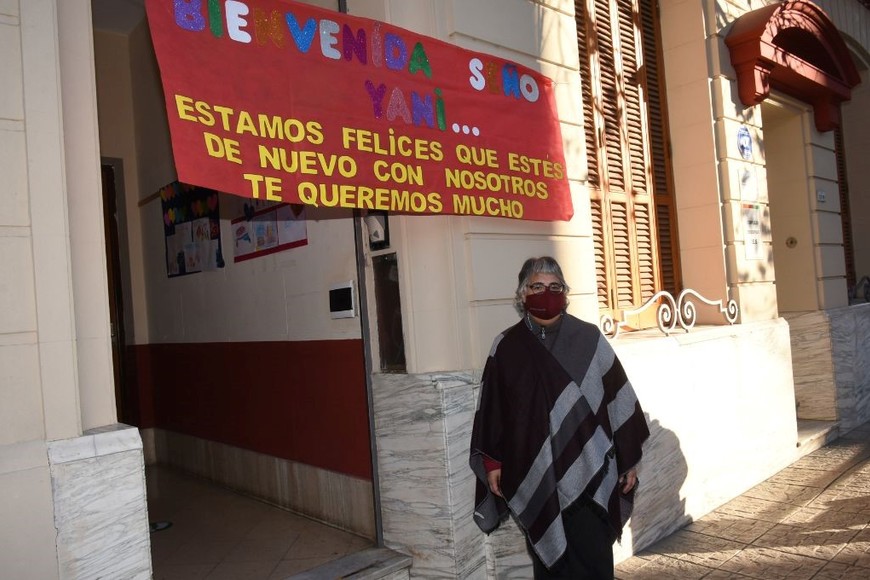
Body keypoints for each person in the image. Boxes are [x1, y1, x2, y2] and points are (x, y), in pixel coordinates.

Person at [469, 256, 650, 579]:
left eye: (555, 287)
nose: (546, 293)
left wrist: (628, 461)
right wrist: (494, 464)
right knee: (550, 562)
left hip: (591, 475)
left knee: (593, 561)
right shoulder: (506, 347)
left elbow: (617, 399)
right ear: (523, 294)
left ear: (565, 294)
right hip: (535, 474)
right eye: (537, 286)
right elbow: (494, 410)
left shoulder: (589, 339)